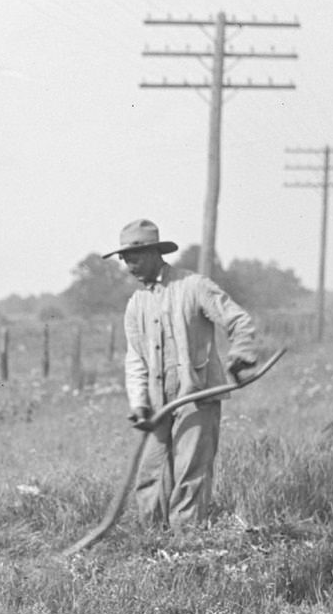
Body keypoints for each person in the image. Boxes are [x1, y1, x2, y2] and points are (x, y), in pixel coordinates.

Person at [105, 219, 258, 529]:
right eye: (124, 259)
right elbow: (136, 358)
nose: (129, 265)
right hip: (158, 405)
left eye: (133, 258)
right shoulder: (136, 304)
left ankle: (187, 546)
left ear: (153, 253)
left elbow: (239, 320)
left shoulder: (193, 286)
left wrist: (240, 354)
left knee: (191, 475)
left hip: (196, 396)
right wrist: (139, 403)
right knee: (150, 476)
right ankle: (153, 544)